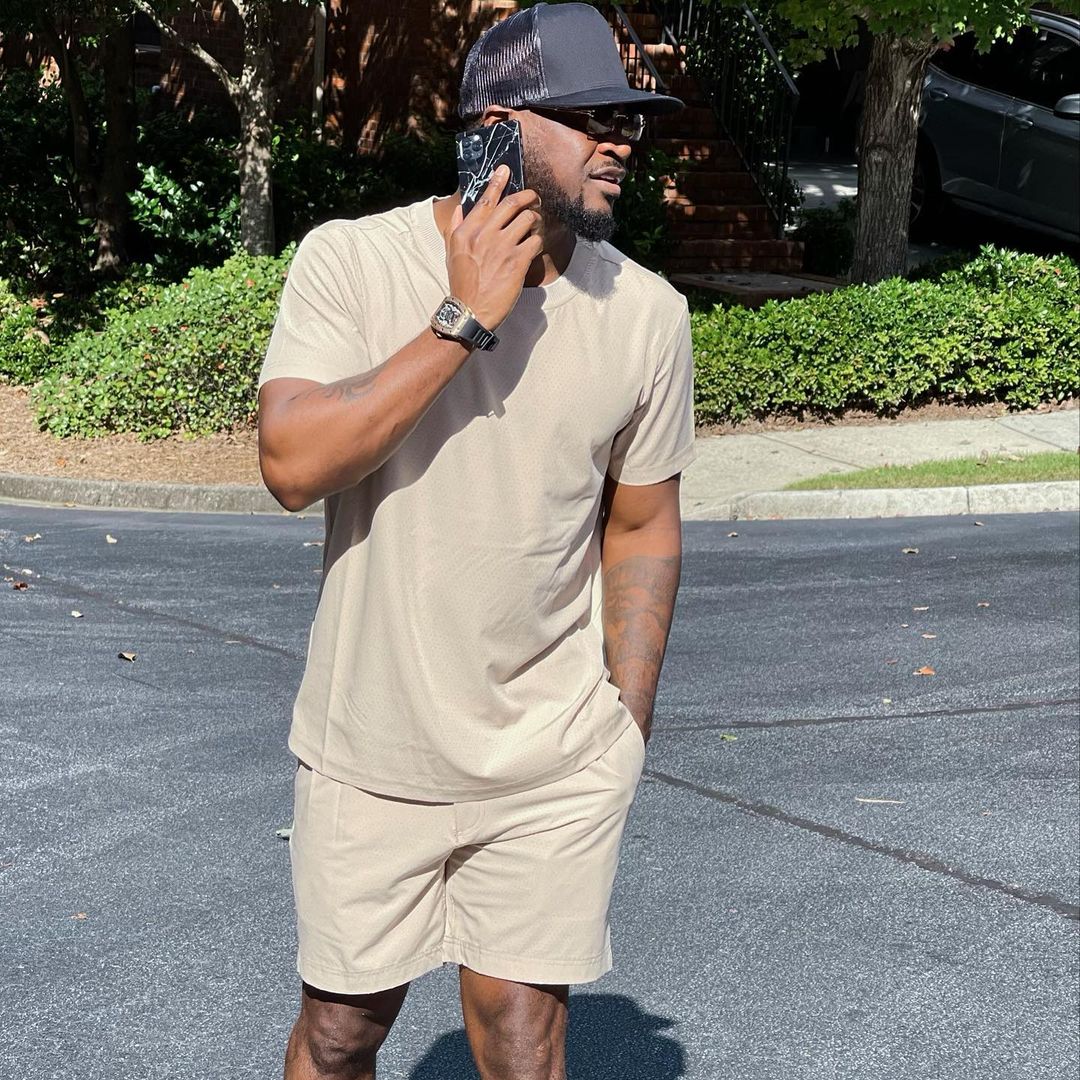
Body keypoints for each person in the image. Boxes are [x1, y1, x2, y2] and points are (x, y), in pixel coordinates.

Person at [256, 4, 695, 1077]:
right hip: (372, 749)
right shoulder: (352, 261)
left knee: (521, 1032)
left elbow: (643, 522)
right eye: (593, 118)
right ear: (498, 127)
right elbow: (292, 464)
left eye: (630, 120)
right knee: (341, 1033)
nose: (621, 142)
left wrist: (624, 720)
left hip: (553, 758)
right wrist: (462, 318)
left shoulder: (647, 315)